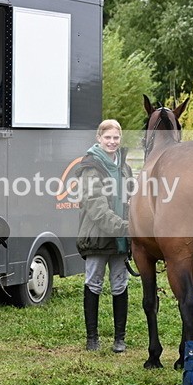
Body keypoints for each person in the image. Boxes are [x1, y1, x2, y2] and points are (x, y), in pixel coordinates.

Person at [75, 119, 133, 353]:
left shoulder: (124, 168)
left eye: (116, 138)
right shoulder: (91, 167)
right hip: (97, 236)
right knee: (94, 283)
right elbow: (96, 207)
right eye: (107, 137)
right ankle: (92, 339)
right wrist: (126, 228)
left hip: (120, 239)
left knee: (120, 284)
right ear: (99, 138)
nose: (112, 142)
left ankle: (120, 338)